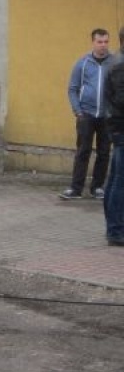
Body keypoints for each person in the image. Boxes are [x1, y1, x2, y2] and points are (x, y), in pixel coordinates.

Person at [60, 28, 111, 200]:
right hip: (86, 115)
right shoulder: (82, 63)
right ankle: (76, 189)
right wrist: (78, 110)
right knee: (83, 151)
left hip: (107, 116)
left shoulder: (115, 63)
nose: (103, 45)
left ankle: (97, 187)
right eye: (99, 42)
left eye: (106, 42)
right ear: (93, 42)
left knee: (104, 152)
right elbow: (72, 89)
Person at [104, 27, 124, 246]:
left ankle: (114, 227)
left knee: (115, 178)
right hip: (121, 126)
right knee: (120, 181)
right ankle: (116, 231)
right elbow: (121, 100)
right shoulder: (121, 65)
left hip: (117, 125)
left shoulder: (117, 61)